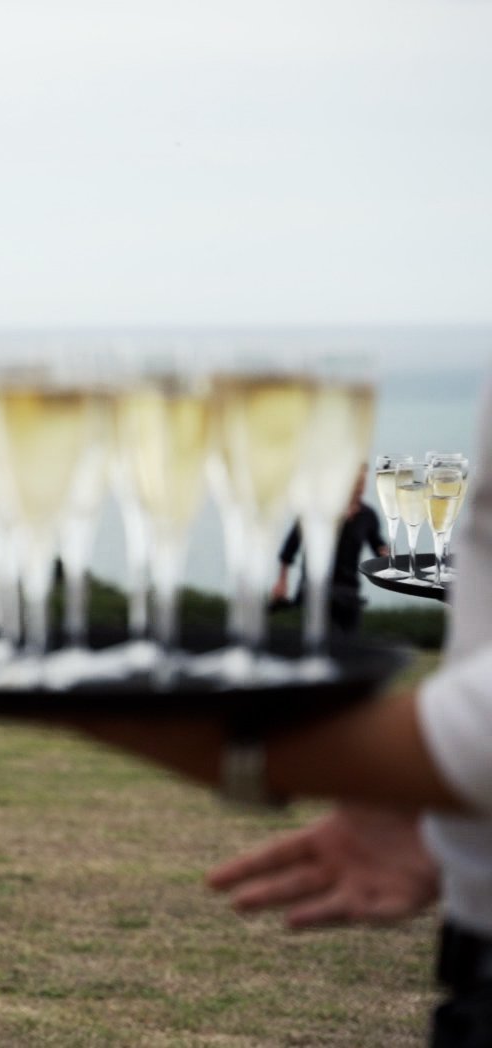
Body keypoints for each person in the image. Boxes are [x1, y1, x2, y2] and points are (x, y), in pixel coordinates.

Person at [64, 380, 490, 1045]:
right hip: (474, 930)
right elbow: (290, 557)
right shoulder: (309, 514)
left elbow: (388, 560)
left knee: (339, 654)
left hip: (347, 600)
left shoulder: (366, 519)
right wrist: (453, 826)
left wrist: (248, 748)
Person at [270, 465, 388, 632]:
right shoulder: (316, 508)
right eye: (356, 482)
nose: (360, 487)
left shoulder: (368, 516)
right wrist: (281, 582)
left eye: (363, 482)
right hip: (314, 589)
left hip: (348, 593)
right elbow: (290, 548)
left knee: (348, 648)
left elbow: (379, 548)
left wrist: (388, 556)